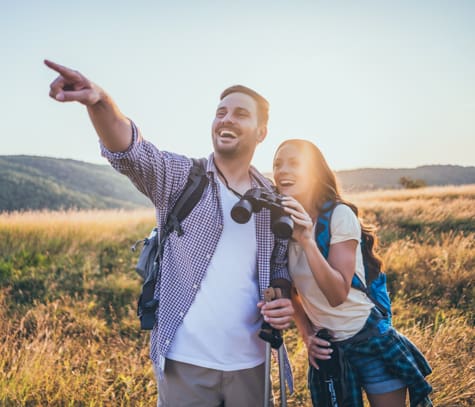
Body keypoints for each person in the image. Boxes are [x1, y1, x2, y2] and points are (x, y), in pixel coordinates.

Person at [45, 59, 294, 406]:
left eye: (240, 114)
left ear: (261, 132)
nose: (226, 119)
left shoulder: (273, 200)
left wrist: (283, 296)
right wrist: (99, 101)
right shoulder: (180, 178)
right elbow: (130, 152)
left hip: (252, 365)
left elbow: (281, 267)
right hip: (185, 365)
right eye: (221, 111)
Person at [273, 139, 433, 407]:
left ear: (314, 171)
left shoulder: (339, 215)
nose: (282, 170)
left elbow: (337, 294)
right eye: (277, 164)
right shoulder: (281, 223)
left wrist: (308, 241)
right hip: (329, 350)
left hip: (368, 340)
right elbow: (291, 289)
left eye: (294, 163)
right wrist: (307, 334)